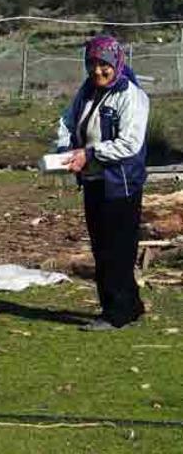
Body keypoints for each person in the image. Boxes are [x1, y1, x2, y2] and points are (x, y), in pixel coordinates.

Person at [56, 35, 149, 331]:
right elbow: (66, 122)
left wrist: (90, 153)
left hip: (120, 184)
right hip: (94, 180)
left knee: (118, 249)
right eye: (92, 64)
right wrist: (63, 150)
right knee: (102, 247)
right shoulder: (86, 92)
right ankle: (129, 306)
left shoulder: (131, 96)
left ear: (116, 63)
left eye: (103, 65)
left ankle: (116, 314)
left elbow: (130, 144)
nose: (98, 71)